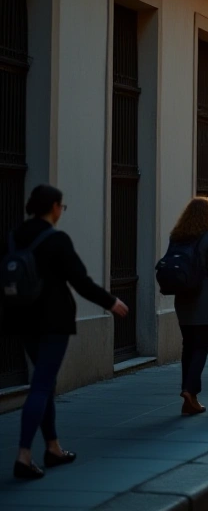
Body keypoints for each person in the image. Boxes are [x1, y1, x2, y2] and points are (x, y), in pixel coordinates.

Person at [6, 185, 129, 480]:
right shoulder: (56, 239)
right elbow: (80, 280)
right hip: (53, 322)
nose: (62, 212)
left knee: (43, 381)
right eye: (62, 207)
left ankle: (53, 447)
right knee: (41, 384)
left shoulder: (13, 237)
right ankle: (24, 455)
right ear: (54, 207)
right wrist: (111, 302)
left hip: (22, 320)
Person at [168, 197, 208, 416]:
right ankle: (189, 390)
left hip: (182, 299)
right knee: (201, 348)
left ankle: (190, 397)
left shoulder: (177, 237)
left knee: (188, 347)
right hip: (203, 300)